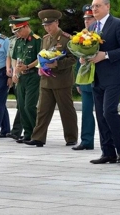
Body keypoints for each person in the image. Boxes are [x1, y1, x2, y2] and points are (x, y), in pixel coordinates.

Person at [87, 0, 120, 164]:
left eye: (98, 5)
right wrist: (84, 57)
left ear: (108, 6)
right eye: (93, 6)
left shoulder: (118, 24)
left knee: (109, 112)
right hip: (97, 77)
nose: (95, 9)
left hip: (114, 76)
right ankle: (107, 152)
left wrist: (105, 55)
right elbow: (90, 49)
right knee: (100, 114)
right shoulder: (92, 28)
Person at [25, 10, 78, 147]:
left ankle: (71, 137)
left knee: (66, 110)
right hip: (46, 81)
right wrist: (41, 67)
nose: (47, 28)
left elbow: (73, 59)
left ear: (57, 23)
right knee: (42, 110)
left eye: (50, 24)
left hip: (62, 80)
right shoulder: (45, 39)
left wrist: (57, 64)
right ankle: (38, 137)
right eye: (45, 25)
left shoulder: (67, 39)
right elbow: (42, 56)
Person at [11, 17, 42, 144]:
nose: (17, 34)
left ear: (25, 27)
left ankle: (37, 133)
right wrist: (14, 73)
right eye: (15, 32)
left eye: (18, 31)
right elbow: (14, 58)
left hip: (32, 75)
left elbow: (40, 58)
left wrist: (28, 66)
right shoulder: (19, 41)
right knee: (22, 107)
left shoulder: (36, 40)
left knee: (29, 105)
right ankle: (27, 133)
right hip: (21, 77)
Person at [73, 4, 97, 151]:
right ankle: (86, 140)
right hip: (86, 79)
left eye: (90, 18)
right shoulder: (82, 37)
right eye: (85, 18)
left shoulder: (100, 34)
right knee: (87, 111)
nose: (87, 21)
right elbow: (78, 59)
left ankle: (113, 139)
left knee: (105, 112)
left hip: (100, 79)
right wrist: (78, 80)